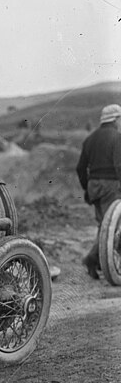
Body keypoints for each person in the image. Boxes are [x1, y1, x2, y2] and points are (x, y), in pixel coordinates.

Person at [76, 103, 121, 279]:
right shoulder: (117, 138)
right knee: (113, 226)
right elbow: (119, 165)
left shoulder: (89, 139)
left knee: (104, 225)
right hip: (111, 185)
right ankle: (93, 259)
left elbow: (80, 168)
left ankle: (101, 260)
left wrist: (87, 188)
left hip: (94, 185)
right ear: (115, 119)